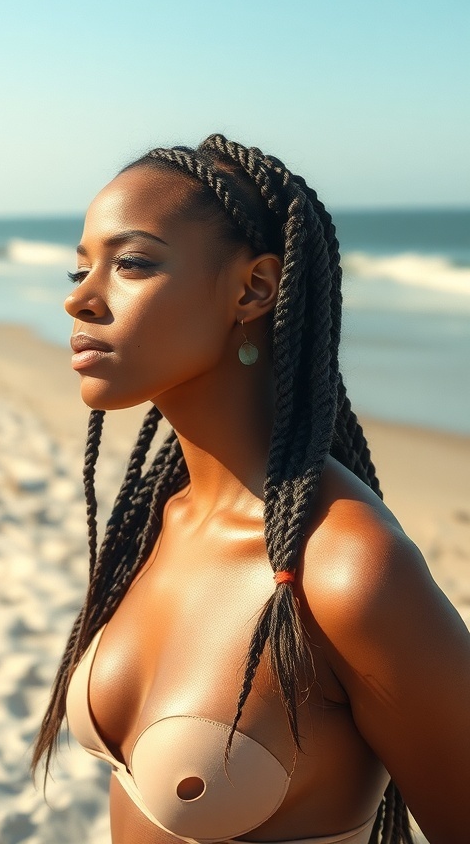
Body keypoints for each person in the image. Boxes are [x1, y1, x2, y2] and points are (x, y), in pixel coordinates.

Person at [32, 135, 470, 844]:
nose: (80, 298)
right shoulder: (160, 519)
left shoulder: (346, 569)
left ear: (254, 290)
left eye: (132, 263)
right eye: (83, 267)